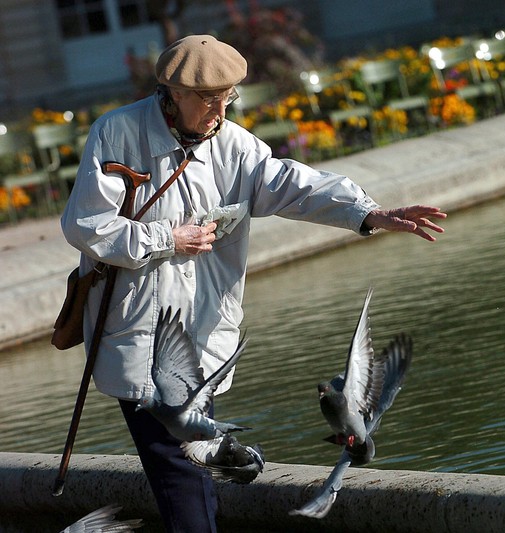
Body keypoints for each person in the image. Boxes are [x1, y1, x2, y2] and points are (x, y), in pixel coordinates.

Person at [60, 34, 446, 532]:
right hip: (137, 338)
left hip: (202, 340)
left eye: (228, 98)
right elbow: (86, 226)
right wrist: (166, 238)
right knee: (182, 470)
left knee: (192, 470)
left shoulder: (234, 146)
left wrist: (369, 213)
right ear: (173, 92)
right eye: (208, 99)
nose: (219, 111)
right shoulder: (117, 133)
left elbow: (292, 184)